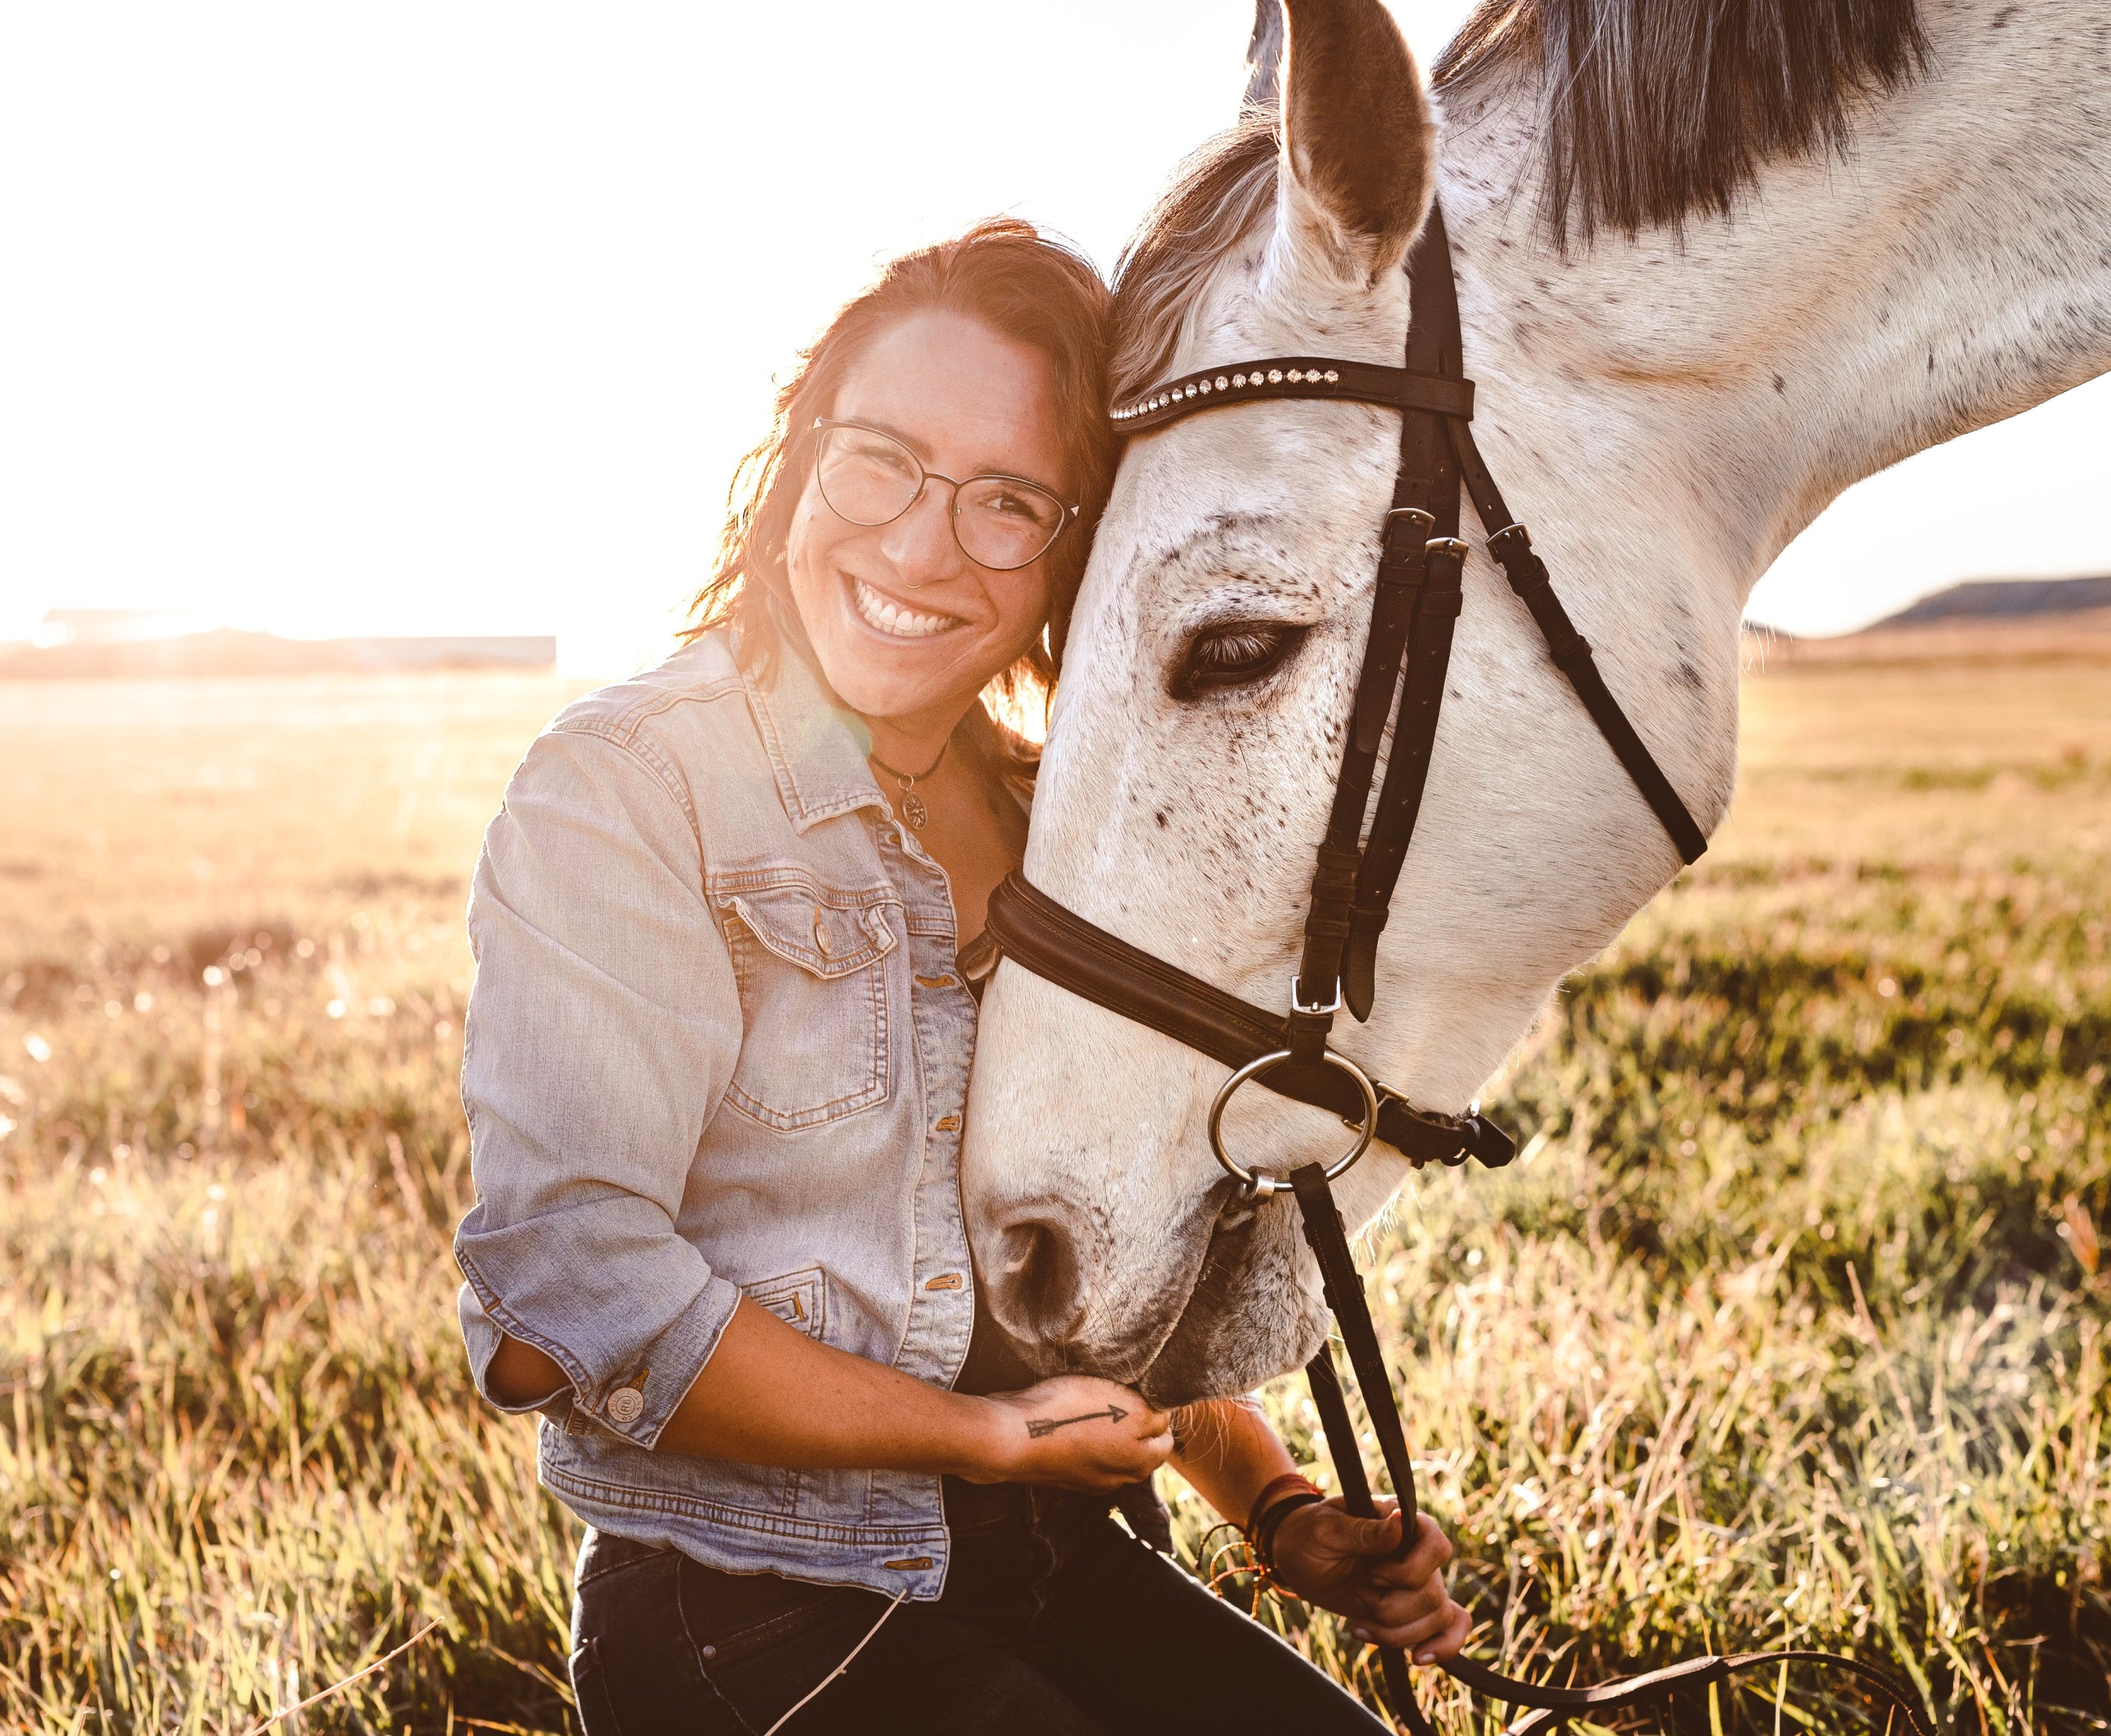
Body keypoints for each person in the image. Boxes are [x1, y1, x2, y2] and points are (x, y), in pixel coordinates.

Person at [453, 218, 1471, 1736]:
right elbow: (561, 1306)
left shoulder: (1058, 821)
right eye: (877, 461)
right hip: (752, 1611)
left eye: (1009, 502)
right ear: (797, 458)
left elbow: (1076, 1256)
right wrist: (981, 1438)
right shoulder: (626, 788)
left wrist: (1274, 1509)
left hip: (1058, 1555)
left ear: (1075, 546)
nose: (921, 548)